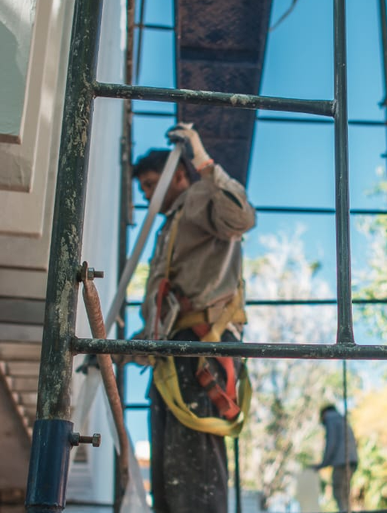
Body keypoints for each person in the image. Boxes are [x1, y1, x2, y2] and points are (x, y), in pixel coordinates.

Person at [132, 123, 256, 513]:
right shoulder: (171, 226)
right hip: (174, 348)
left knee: (195, 476)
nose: (147, 194)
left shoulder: (201, 197)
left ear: (178, 176)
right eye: (144, 189)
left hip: (202, 346)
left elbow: (240, 218)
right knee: (170, 479)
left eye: (152, 184)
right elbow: (168, 304)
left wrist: (202, 159)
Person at [313, 405, 359, 512]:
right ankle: (346, 509)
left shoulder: (331, 418)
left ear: (324, 413)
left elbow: (331, 443)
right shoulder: (341, 419)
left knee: (338, 489)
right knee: (344, 490)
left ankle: (344, 510)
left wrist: (323, 464)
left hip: (342, 461)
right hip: (351, 459)